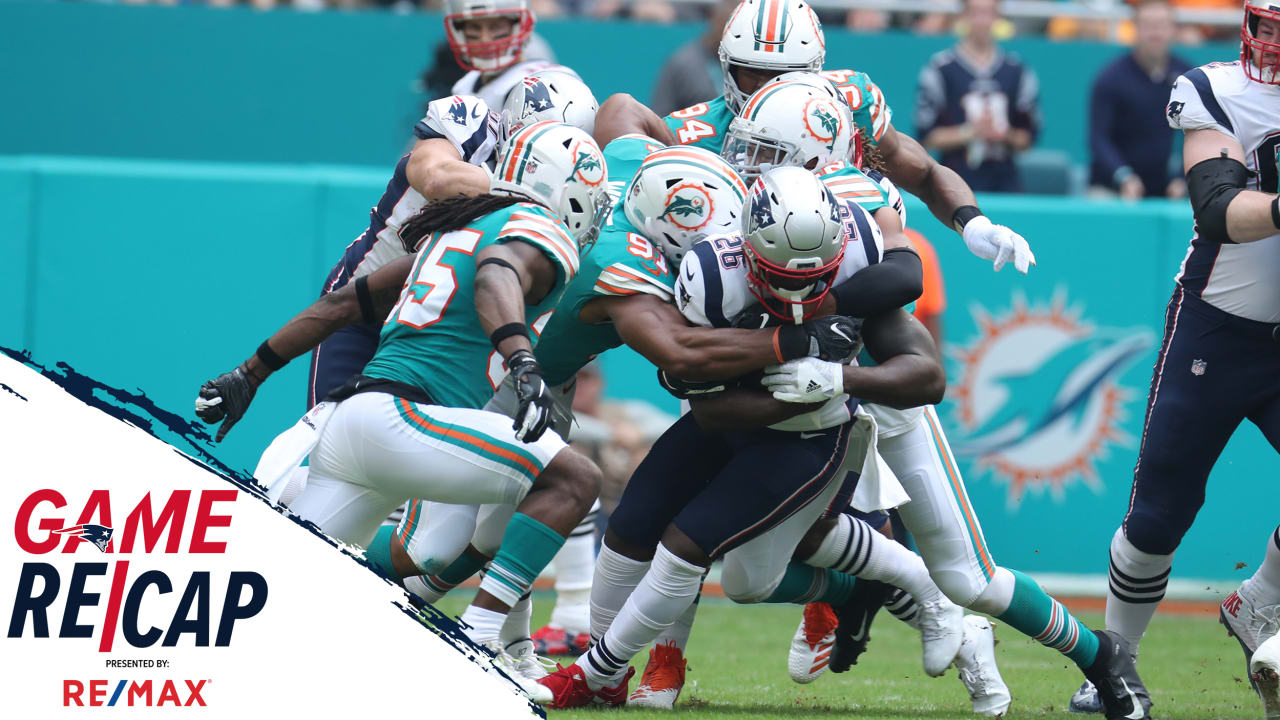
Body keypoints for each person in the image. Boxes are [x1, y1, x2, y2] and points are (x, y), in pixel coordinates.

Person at [197, 122, 614, 704]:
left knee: (395, 565)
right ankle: (479, 644)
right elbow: (498, 269)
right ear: (571, 193)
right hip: (406, 422)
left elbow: (343, 303)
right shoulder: (538, 231)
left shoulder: (453, 230)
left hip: (353, 424)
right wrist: (523, 361)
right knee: (575, 477)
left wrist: (250, 371)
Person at [537, 167, 960, 709]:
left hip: (811, 437)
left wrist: (840, 378)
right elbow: (709, 408)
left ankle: (595, 673)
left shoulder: (860, 251)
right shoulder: (713, 274)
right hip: (734, 419)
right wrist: (793, 368)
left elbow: (928, 376)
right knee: (629, 527)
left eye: (816, 278)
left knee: (687, 549)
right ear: (747, 245)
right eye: (779, 275)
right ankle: (608, 672)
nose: (797, 291)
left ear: (840, 254)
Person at [1069, 1, 1280, 716]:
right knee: (1161, 511)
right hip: (1217, 329)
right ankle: (1112, 666)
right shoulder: (1217, 89)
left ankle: (1260, 603)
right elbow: (1216, 207)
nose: (1275, 41)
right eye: (1269, 23)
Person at [662, 0, 1036, 274]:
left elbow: (921, 172)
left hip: (845, 280)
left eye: (784, 76)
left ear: (814, 71)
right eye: (754, 74)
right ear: (727, 67)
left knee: (913, 370)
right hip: (743, 285)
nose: (766, 91)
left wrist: (972, 223)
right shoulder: (693, 132)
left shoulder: (846, 103)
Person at [915, 0, 1040, 193]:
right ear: (963, 16)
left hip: (1005, 181)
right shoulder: (940, 69)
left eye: (988, 13)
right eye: (975, 13)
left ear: (998, 17)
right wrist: (971, 132)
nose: (982, 21)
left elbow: (1029, 136)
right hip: (953, 180)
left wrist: (1004, 134)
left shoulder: (1017, 70)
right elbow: (927, 135)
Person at [1088, 0, 1192, 200]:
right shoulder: (1110, 78)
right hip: (1112, 188)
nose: (1156, 33)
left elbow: (1199, 133)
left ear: (1173, 30)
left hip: (1169, 190)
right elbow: (1099, 138)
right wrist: (1124, 177)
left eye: (1162, 26)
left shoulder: (1188, 78)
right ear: (1135, 29)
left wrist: (1183, 177)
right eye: (1148, 26)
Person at [649, 0, 736, 116]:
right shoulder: (684, 63)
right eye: (727, 24)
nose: (729, 33)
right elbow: (661, 117)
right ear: (713, 17)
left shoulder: (748, 66)